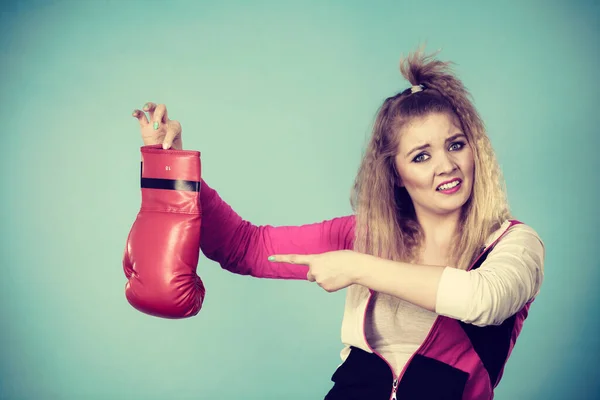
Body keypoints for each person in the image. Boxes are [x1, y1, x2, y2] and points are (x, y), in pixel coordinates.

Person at [126, 48, 545, 400]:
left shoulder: (515, 244)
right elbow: (245, 246)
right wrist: (175, 168)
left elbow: (481, 300)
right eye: (421, 155)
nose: (447, 166)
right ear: (396, 173)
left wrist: (355, 266)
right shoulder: (363, 234)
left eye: (456, 145)